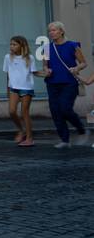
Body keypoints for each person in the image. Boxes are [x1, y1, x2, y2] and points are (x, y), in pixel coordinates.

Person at [38, 20, 88, 148]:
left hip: (69, 83)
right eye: (50, 31)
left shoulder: (72, 45)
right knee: (55, 111)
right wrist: (46, 70)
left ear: (61, 31)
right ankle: (65, 140)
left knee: (65, 108)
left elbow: (83, 63)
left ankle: (81, 129)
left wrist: (76, 69)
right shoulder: (47, 48)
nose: (51, 33)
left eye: (54, 30)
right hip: (52, 83)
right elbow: (45, 65)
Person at [4, 36, 38, 147]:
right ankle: (21, 130)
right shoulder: (8, 57)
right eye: (11, 44)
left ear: (21, 45)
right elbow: (8, 74)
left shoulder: (30, 58)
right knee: (12, 111)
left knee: (24, 113)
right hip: (13, 87)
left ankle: (30, 138)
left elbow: (34, 72)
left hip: (26, 87)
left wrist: (45, 74)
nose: (12, 46)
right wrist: (7, 89)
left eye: (14, 44)